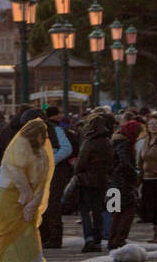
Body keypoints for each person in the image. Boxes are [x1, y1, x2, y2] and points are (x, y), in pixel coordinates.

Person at [0, 117, 53, 262]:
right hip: (8, 194)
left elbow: (43, 180)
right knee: (9, 230)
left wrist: (32, 202)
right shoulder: (20, 146)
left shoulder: (41, 152)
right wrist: (27, 196)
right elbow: (14, 169)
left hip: (25, 194)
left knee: (27, 231)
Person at [74, 112, 115, 252]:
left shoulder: (89, 142)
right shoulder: (108, 142)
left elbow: (81, 163)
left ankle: (89, 238)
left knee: (85, 211)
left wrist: (77, 170)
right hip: (102, 180)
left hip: (86, 180)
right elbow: (111, 163)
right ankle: (97, 239)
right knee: (98, 211)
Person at [40, 106, 75, 250]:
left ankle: (53, 237)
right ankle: (46, 236)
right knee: (45, 203)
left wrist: (51, 160)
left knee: (52, 203)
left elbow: (67, 149)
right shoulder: (49, 130)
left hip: (53, 172)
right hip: (43, 171)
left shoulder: (55, 130)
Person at [107, 120, 141, 250]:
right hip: (122, 183)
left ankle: (112, 240)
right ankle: (119, 239)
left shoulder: (113, 141)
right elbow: (124, 163)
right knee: (128, 210)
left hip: (112, 183)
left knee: (115, 212)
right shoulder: (125, 144)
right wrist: (135, 174)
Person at [138, 114, 157, 242]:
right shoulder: (146, 141)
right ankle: (155, 233)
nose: (154, 127)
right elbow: (141, 160)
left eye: (156, 124)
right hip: (147, 178)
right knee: (151, 206)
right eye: (151, 124)